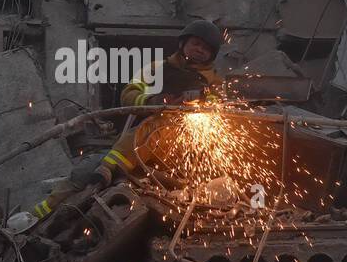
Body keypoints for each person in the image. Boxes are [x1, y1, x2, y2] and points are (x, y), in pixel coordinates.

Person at [25, 19, 224, 224]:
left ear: (212, 55)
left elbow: (219, 108)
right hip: (136, 143)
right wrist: (152, 101)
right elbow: (128, 94)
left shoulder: (214, 82)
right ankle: (35, 218)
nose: (200, 50)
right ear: (183, 44)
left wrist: (202, 104)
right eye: (196, 44)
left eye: (206, 48)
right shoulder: (156, 68)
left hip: (181, 146)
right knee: (83, 172)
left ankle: (109, 169)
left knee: (161, 128)